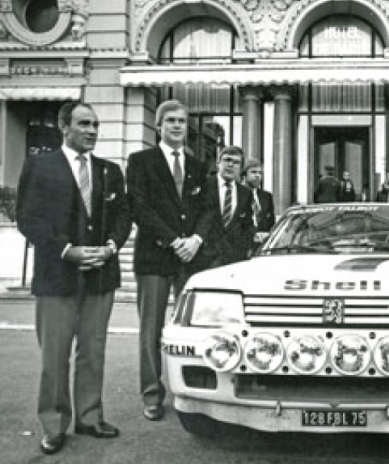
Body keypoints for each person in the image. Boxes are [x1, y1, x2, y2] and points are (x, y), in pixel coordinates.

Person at [16, 102, 132, 454]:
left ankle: (90, 416)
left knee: (93, 350)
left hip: (101, 276)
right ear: (63, 127)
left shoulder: (110, 171)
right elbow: (28, 218)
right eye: (84, 124)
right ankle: (53, 424)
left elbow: (124, 216)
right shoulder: (41, 166)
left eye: (96, 124)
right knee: (55, 354)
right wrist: (66, 250)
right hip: (56, 276)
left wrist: (111, 246)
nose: (93, 130)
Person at [126, 100, 213, 422]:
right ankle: (152, 394)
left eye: (182, 121)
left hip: (190, 259)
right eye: (171, 121)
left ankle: (191, 390)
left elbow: (208, 209)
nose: (178, 126)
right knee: (151, 330)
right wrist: (174, 240)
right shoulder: (140, 161)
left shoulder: (199, 166)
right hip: (155, 256)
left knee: (192, 330)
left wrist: (196, 240)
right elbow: (139, 206)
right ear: (158, 126)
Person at [197, 146, 255, 267]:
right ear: (218, 163)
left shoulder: (245, 193)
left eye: (236, 162)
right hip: (204, 259)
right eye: (227, 160)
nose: (230, 165)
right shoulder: (204, 186)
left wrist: (244, 249)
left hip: (234, 260)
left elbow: (247, 226)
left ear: (241, 168)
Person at [242, 158, 275, 240]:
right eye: (253, 172)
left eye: (260, 173)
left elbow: (271, 222)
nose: (258, 176)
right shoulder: (236, 195)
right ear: (244, 175)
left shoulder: (267, 196)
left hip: (262, 245)